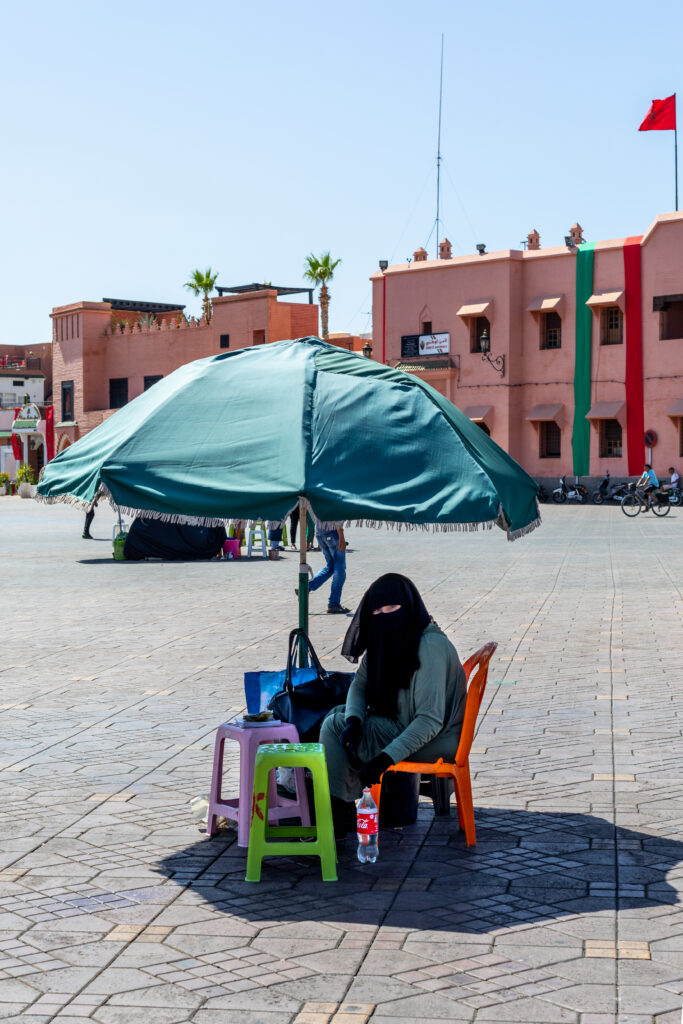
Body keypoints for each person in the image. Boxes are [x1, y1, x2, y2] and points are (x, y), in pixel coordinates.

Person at [320, 573, 468, 837]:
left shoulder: (429, 646)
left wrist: (382, 761)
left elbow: (429, 722)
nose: (383, 615)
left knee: (332, 726)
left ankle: (337, 811)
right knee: (340, 718)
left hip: (436, 738)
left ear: (409, 606)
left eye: (391, 608)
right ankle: (341, 806)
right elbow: (360, 684)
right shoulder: (390, 641)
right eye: (376, 610)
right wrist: (354, 722)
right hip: (403, 724)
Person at [307, 520, 348, 613]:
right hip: (332, 531)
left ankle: (306, 587)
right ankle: (333, 603)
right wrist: (341, 536)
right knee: (340, 567)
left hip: (319, 532)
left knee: (331, 566)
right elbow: (337, 515)